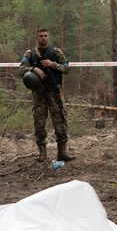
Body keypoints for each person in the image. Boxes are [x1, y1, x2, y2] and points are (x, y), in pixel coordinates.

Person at [19, 28, 75, 163]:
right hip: (38, 93)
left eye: (45, 36)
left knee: (60, 120)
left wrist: (53, 64)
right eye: (40, 36)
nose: (43, 38)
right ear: (36, 37)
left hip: (54, 91)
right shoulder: (30, 53)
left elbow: (67, 68)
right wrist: (34, 69)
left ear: (48, 37)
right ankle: (42, 154)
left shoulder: (56, 52)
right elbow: (21, 69)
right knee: (39, 122)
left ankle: (62, 152)